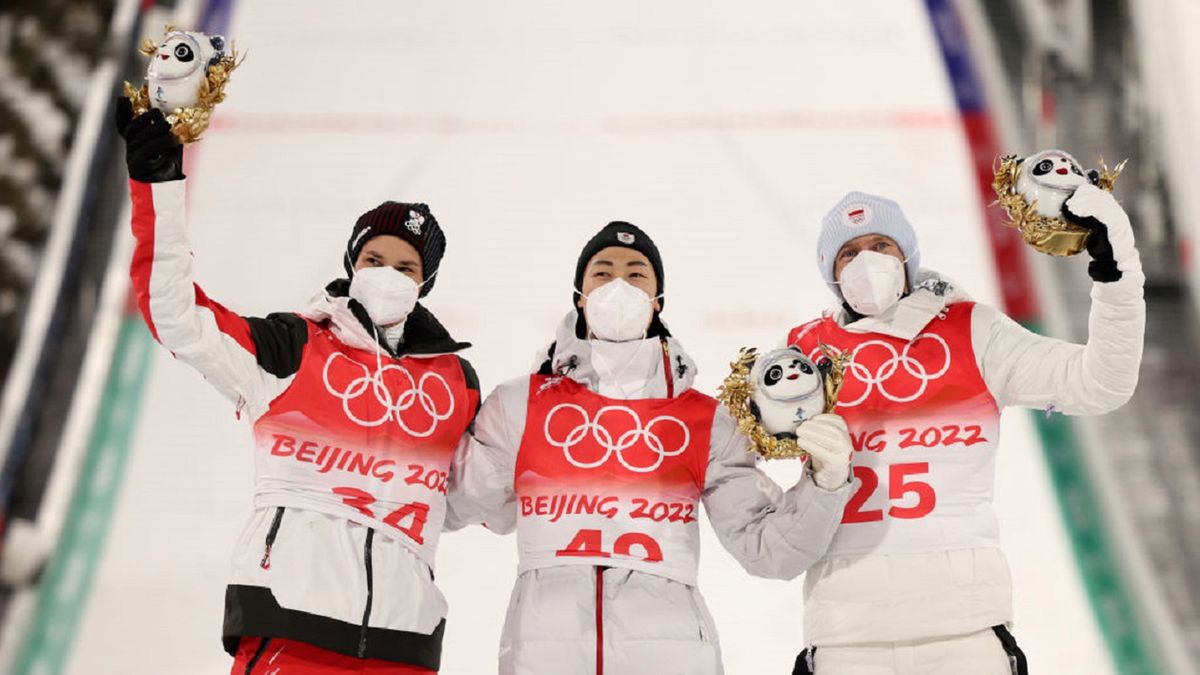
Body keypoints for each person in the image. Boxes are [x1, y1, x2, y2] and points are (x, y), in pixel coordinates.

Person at [116, 98, 480, 674]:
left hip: (402, 645)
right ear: (352, 263)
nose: (387, 274)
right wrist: (157, 182)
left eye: (406, 267)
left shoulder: (455, 383)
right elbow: (177, 315)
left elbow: (475, 494)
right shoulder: (294, 346)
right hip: (291, 625)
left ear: (424, 283)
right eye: (374, 258)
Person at [446, 221, 854, 675]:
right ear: (579, 296)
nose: (618, 284)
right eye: (602, 273)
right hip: (544, 657)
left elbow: (768, 551)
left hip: (672, 657)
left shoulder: (703, 420)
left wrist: (826, 481)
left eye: (637, 274)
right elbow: (449, 502)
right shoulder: (520, 405)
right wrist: (435, 419)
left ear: (658, 300)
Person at [786, 190, 1145, 674]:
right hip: (847, 641)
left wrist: (1115, 271)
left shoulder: (972, 330)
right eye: (848, 253)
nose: (866, 262)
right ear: (831, 273)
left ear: (908, 256)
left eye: (881, 245)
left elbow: (1100, 384)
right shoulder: (804, 354)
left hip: (965, 635)